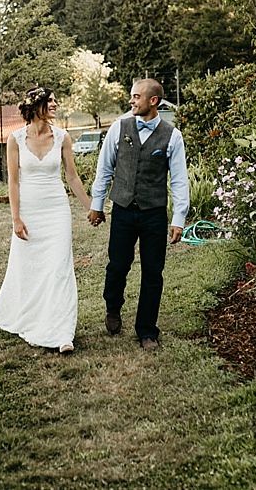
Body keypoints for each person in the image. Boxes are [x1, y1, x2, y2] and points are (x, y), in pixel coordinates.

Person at [0, 86, 93, 354]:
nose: (55, 104)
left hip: (56, 210)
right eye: (50, 101)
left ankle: (62, 331)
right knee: (29, 268)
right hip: (29, 211)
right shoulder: (15, 139)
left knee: (59, 268)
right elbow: (13, 182)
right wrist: (16, 218)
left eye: (54, 100)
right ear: (36, 106)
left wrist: (92, 207)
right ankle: (32, 316)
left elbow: (72, 177)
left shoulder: (63, 138)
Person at [88, 78, 189, 351]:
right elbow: (104, 168)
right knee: (117, 264)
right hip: (122, 209)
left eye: (136, 97)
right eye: (131, 97)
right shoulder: (119, 127)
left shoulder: (172, 136)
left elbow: (179, 180)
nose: (131, 101)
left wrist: (178, 219)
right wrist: (97, 205)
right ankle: (113, 307)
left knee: (153, 272)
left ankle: (147, 330)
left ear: (152, 101)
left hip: (154, 213)